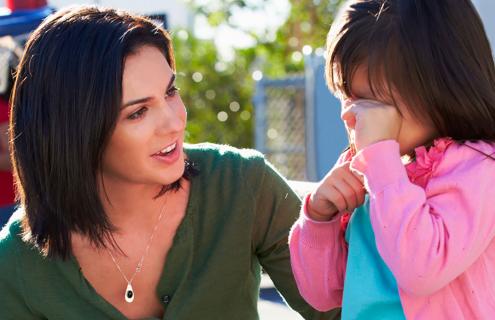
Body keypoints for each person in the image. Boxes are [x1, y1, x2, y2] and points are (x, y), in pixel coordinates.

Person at [0, 7, 339, 320]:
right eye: (137, 112)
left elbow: (347, 311)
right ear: (73, 133)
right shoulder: (16, 264)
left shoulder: (242, 184)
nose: (175, 122)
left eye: (171, 91)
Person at [289, 0, 495, 319]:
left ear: (441, 85)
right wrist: (319, 217)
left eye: (370, 100)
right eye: (348, 97)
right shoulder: (377, 170)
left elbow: (422, 270)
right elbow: (322, 293)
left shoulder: (479, 168)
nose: (349, 114)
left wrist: (381, 164)